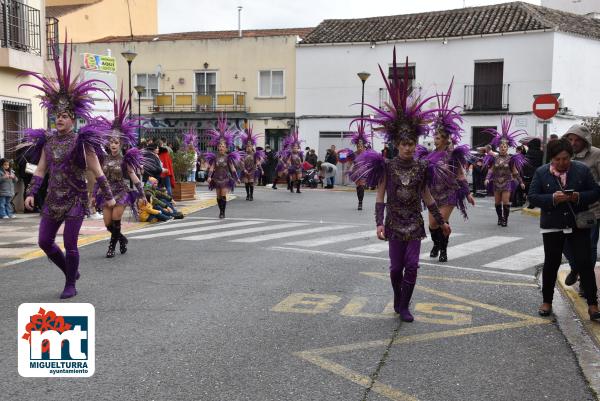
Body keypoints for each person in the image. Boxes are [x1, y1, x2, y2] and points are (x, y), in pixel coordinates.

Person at [350, 48, 450, 322]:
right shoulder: (387, 167)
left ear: (416, 144)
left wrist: (441, 221)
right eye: (403, 144)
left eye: (411, 143)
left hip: (414, 223)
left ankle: (405, 305)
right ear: (397, 144)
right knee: (396, 269)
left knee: (413, 266)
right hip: (394, 223)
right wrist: (378, 223)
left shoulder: (422, 167)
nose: (408, 148)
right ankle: (398, 296)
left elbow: (428, 197)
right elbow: (380, 196)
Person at [21, 38, 113, 299]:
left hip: (75, 198)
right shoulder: (47, 141)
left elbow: (97, 170)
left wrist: (107, 195)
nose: (59, 119)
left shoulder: (82, 141)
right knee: (44, 242)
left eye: (64, 116)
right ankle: (70, 273)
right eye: (56, 116)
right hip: (52, 198)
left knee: (70, 243)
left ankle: (70, 284)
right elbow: (40, 169)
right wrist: (31, 192)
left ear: (73, 119)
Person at [527, 138, 600, 320]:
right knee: (551, 263)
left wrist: (577, 197)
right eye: (557, 159)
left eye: (566, 159)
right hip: (552, 225)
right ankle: (547, 302)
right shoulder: (542, 172)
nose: (561, 163)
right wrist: (552, 199)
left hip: (578, 225)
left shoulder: (581, 170)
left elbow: (595, 192)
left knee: (584, 263)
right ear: (551, 158)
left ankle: (593, 305)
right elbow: (533, 196)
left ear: (571, 157)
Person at [416, 81, 474, 262]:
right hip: (433, 195)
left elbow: (460, 175)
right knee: (432, 224)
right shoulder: (429, 155)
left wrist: (468, 193)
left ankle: (443, 250)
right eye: (434, 136)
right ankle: (436, 243)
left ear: (446, 139)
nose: (435, 139)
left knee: (441, 221)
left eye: (439, 137)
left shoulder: (453, 155)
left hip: (449, 194)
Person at [93, 90, 145, 258]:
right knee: (108, 224)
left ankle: (111, 248)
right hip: (106, 192)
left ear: (121, 144)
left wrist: (142, 193)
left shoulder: (126, 159)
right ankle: (121, 239)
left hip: (121, 192)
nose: (113, 145)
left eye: (116, 142)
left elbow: (133, 176)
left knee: (116, 220)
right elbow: (98, 177)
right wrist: (94, 194)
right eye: (111, 142)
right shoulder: (103, 158)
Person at [560, 124, 600, 290]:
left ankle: (586, 282)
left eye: (577, 139)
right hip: (567, 209)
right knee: (563, 243)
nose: (573, 142)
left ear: (585, 141)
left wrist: (587, 189)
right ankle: (576, 267)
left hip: (591, 209)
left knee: (589, 246)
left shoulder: (596, 154)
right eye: (570, 139)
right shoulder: (563, 155)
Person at [484, 117, 527, 227]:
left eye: (505, 146)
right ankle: (499, 218)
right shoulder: (494, 158)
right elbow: (491, 169)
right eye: (501, 146)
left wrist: (521, 182)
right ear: (498, 147)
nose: (503, 148)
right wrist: (487, 178)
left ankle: (505, 219)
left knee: (506, 201)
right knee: (497, 202)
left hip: (507, 182)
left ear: (508, 148)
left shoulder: (511, 159)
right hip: (496, 182)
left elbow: (515, 171)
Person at [204, 116, 242, 218]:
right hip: (216, 179)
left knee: (223, 195)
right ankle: (220, 210)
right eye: (220, 146)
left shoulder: (228, 157)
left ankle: (222, 213)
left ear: (226, 148)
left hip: (225, 179)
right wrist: (209, 176)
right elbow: (212, 167)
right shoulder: (214, 157)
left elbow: (233, 168)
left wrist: (237, 178)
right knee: (218, 196)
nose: (221, 148)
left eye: (223, 146)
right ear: (218, 147)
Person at [339, 121, 371, 210]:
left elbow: (371, 163)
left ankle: (360, 203)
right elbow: (349, 163)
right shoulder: (353, 154)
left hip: (364, 172)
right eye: (358, 146)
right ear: (356, 146)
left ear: (364, 146)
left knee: (361, 187)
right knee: (358, 187)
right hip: (356, 172)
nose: (360, 147)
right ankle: (359, 200)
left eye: (361, 145)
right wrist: (346, 170)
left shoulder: (367, 154)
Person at [240, 126, 265, 201]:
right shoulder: (243, 154)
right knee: (246, 183)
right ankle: (247, 195)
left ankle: (251, 195)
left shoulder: (255, 154)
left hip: (252, 171)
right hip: (245, 171)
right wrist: (244, 169)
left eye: (250, 146)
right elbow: (241, 163)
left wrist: (262, 169)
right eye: (247, 146)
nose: (248, 148)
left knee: (251, 183)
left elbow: (258, 162)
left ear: (252, 147)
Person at [523, 138, 544, 207]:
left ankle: (530, 202)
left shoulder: (529, 151)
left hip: (528, 173)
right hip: (537, 173)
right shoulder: (541, 153)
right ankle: (533, 203)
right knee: (536, 188)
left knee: (530, 188)